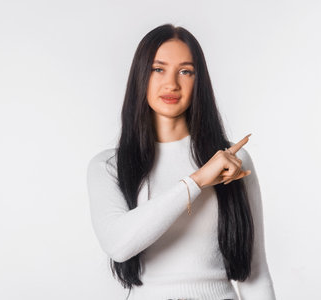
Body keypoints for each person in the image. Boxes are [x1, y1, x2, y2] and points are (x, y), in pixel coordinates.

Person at [86, 23, 276, 300]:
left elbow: (255, 273)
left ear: (199, 81)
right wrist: (198, 180)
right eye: (158, 69)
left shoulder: (233, 161)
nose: (172, 84)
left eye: (185, 71)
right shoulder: (108, 166)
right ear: (141, 75)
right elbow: (118, 244)